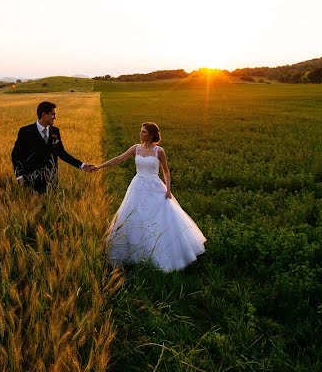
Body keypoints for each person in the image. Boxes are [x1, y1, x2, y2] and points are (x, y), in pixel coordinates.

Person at [96, 122, 206, 272]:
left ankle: (161, 255)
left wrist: (168, 189)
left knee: (159, 219)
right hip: (137, 186)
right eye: (141, 132)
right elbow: (118, 159)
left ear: (152, 135)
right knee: (132, 216)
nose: (141, 134)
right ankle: (134, 254)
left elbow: (166, 171)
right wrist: (99, 166)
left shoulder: (159, 151)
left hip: (155, 187)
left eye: (144, 132)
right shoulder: (136, 148)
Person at [11, 101, 95, 193]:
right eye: (53, 114)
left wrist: (82, 165)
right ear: (44, 114)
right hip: (31, 181)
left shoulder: (55, 131)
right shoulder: (25, 132)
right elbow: (16, 155)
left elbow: (62, 153)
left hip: (51, 180)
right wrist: (19, 176)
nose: (55, 117)